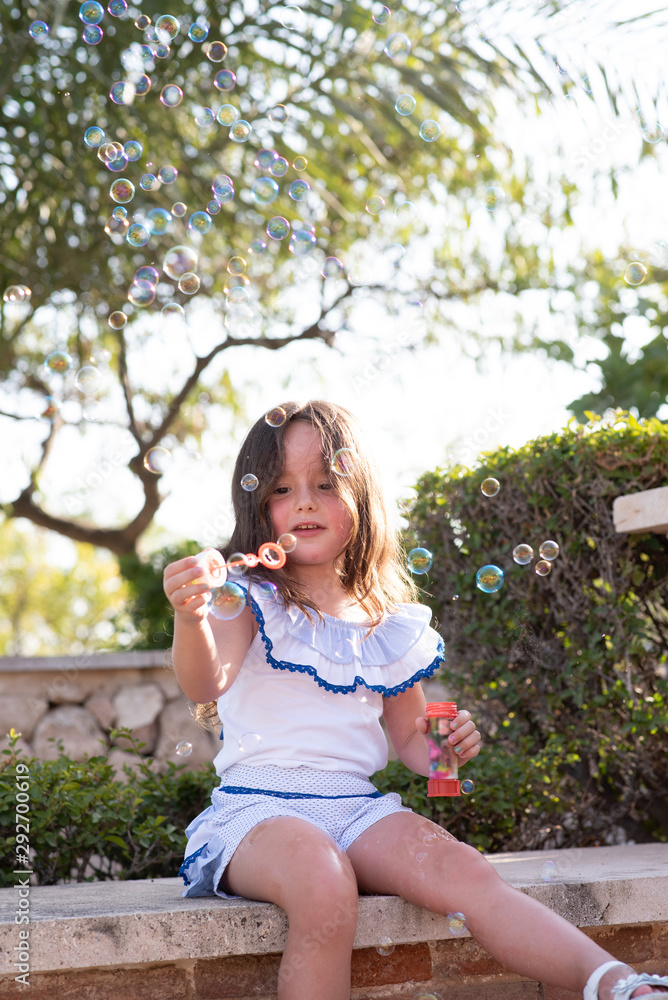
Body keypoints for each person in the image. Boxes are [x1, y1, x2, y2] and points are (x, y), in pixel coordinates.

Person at [163, 400, 668, 1000]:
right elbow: (205, 683)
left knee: (467, 871)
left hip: (354, 809)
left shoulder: (386, 618)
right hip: (258, 811)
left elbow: (411, 741)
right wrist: (189, 618)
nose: (303, 501)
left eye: (326, 484)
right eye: (281, 488)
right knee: (323, 882)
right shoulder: (245, 596)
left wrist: (447, 747)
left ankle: (622, 986)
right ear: (257, 507)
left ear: (363, 497)